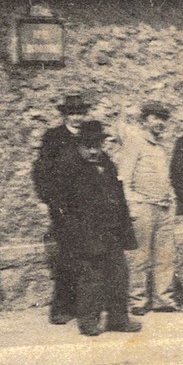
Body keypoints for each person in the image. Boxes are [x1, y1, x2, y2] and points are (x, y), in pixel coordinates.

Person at [56, 120, 140, 337]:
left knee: (118, 275)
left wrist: (123, 228)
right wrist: (76, 234)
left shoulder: (107, 163)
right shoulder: (68, 167)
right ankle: (88, 321)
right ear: (80, 145)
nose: (94, 151)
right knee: (91, 278)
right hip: (86, 232)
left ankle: (118, 319)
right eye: (88, 146)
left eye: (97, 145)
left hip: (111, 231)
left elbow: (117, 196)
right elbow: (62, 206)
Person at [32, 93, 92, 324]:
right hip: (63, 207)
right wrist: (49, 200)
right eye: (72, 113)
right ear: (65, 115)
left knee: (87, 255)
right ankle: (62, 308)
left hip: (86, 206)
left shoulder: (90, 136)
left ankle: (85, 305)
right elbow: (41, 171)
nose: (77, 117)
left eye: (80, 113)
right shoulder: (54, 137)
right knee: (66, 255)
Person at [118, 101, 179, 314]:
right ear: (145, 120)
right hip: (142, 206)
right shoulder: (134, 141)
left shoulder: (161, 145)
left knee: (165, 256)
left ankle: (163, 299)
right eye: (155, 118)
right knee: (140, 257)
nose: (160, 123)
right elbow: (123, 179)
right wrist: (132, 206)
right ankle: (137, 301)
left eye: (163, 119)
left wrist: (170, 198)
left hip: (163, 207)